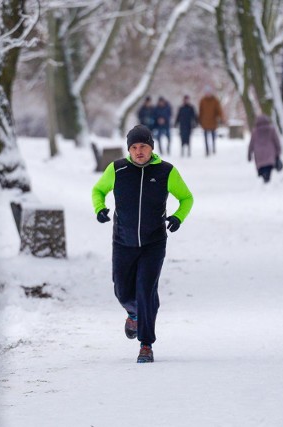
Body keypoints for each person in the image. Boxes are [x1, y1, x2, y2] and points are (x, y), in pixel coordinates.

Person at [91, 124, 194, 363]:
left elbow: (187, 198)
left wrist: (178, 217)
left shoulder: (166, 171)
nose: (139, 151)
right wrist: (100, 209)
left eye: (143, 146)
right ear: (129, 149)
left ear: (151, 148)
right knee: (122, 290)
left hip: (153, 242)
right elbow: (98, 190)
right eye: (134, 147)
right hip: (123, 241)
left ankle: (146, 344)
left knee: (146, 291)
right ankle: (133, 313)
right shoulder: (117, 169)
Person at [247, 114, 282, 183]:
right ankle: (267, 181)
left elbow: (251, 144)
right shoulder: (271, 129)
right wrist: (278, 152)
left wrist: (249, 154)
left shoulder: (255, 131)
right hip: (270, 153)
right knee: (268, 168)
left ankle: (264, 179)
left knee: (262, 168)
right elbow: (276, 141)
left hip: (259, 155)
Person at [198, 86, 224, 156]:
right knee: (205, 137)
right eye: (206, 93)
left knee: (213, 136)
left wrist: (221, 118)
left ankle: (213, 148)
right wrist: (199, 120)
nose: (208, 94)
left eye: (209, 92)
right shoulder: (202, 101)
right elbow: (200, 111)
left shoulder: (215, 100)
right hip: (205, 122)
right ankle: (207, 150)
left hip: (213, 122)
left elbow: (219, 110)